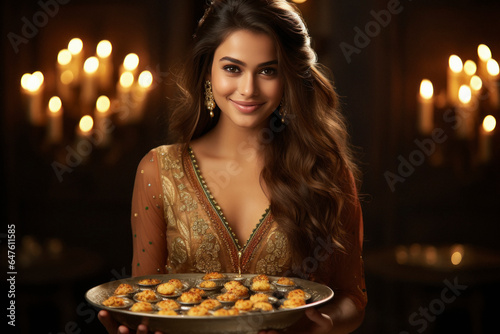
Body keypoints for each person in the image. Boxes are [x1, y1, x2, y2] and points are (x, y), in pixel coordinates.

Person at [99, 0, 367, 333]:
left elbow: (351, 296)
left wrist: (322, 325)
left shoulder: (325, 172)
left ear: (289, 78)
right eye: (232, 68)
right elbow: (146, 299)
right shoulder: (159, 170)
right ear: (208, 71)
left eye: (268, 70)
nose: (248, 89)